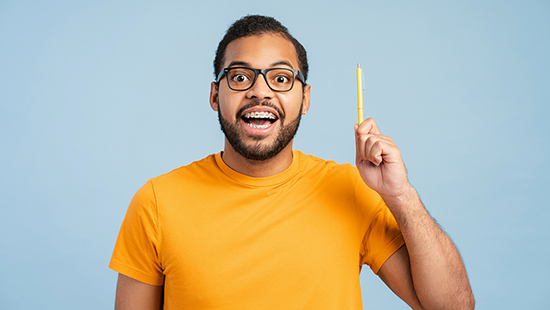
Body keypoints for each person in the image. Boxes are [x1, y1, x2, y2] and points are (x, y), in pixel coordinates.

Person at [109, 15, 474, 310]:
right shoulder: (157, 202)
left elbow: (453, 307)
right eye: (239, 76)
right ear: (214, 94)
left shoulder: (349, 189)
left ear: (305, 98)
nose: (260, 90)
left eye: (281, 78)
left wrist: (402, 195)